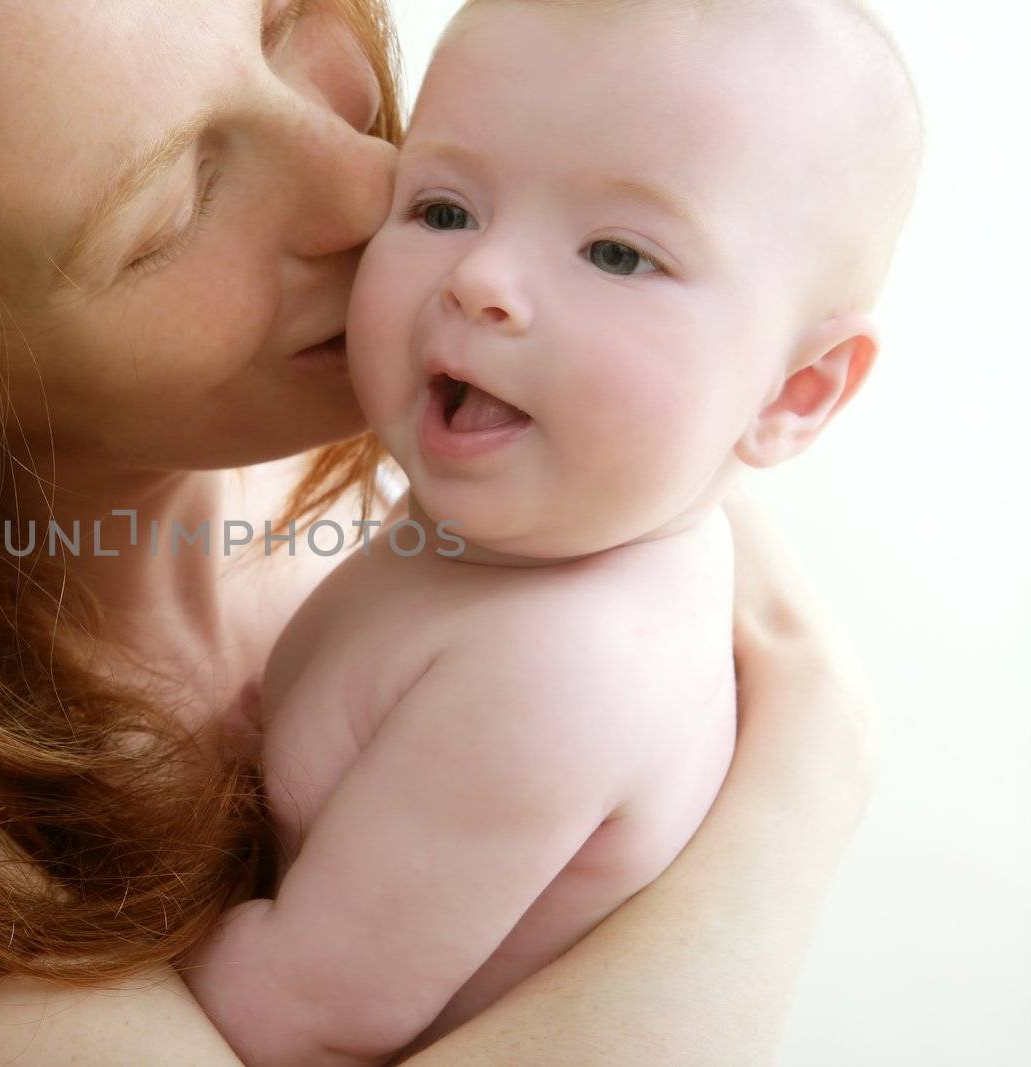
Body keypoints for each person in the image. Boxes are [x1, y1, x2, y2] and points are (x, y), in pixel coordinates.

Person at [0, 1, 877, 1063]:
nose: (374, 188)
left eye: (287, 19)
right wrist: (805, 777)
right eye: (181, 199)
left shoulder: (446, 483)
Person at [182, 1, 922, 1063]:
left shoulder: (562, 669)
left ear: (793, 389)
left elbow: (285, 1017)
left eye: (617, 253)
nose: (479, 281)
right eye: (441, 209)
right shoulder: (534, 525)